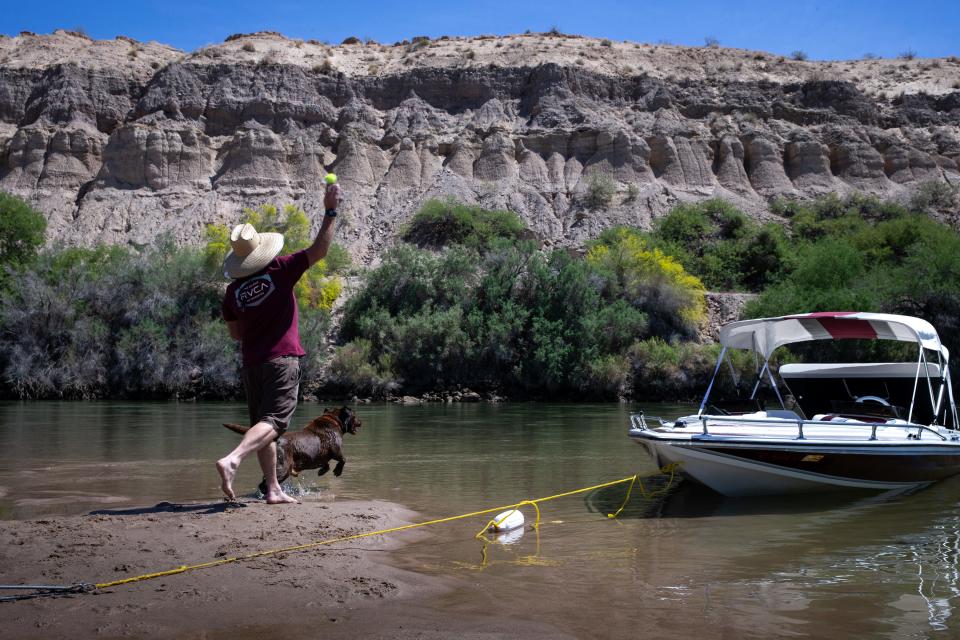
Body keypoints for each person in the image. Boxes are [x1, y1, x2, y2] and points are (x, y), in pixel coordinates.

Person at [216, 183, 341, 504]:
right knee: (274, 423)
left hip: (251, 364)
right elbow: (320, 250)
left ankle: (273, 489)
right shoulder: (281, 269)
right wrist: (329, 211)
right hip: (282, 360)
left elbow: (235, 334)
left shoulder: (232, 294)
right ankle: (234, 458)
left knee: (264, 425)